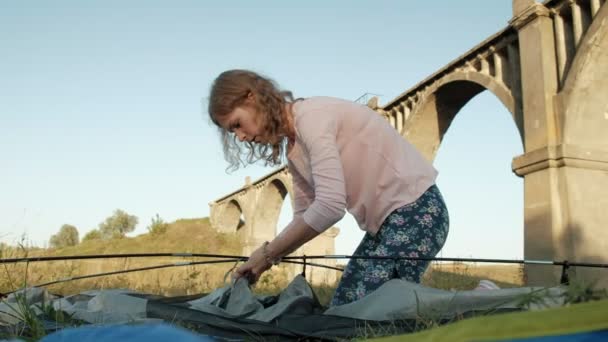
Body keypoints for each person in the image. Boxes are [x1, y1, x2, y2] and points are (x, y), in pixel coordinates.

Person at [207, 69, 449, 306]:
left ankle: (481, 300)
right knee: (342, 308)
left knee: (370, 311)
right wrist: (261, 259)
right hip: (383, 228)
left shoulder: (312, 117)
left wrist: (269, 255)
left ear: (252, 98)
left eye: (237, 124)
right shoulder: (293, 151)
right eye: (232, 131)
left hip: (418, 211)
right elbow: (304, 215)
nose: (239, 137)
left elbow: (330, 206)